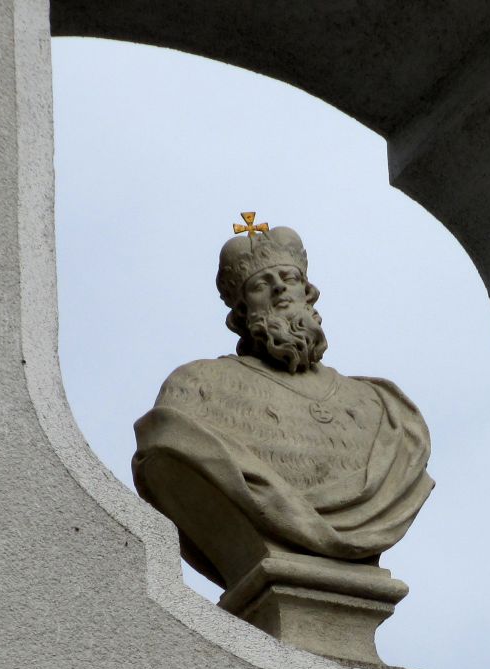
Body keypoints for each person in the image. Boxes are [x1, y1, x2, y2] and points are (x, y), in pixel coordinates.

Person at [133, 225, 434, 591]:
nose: (279, 289)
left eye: (288, 278)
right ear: (242, 311)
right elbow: (167, 447)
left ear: (307, 293)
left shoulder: (383, 406)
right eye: (262, 285)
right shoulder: (198, 388)